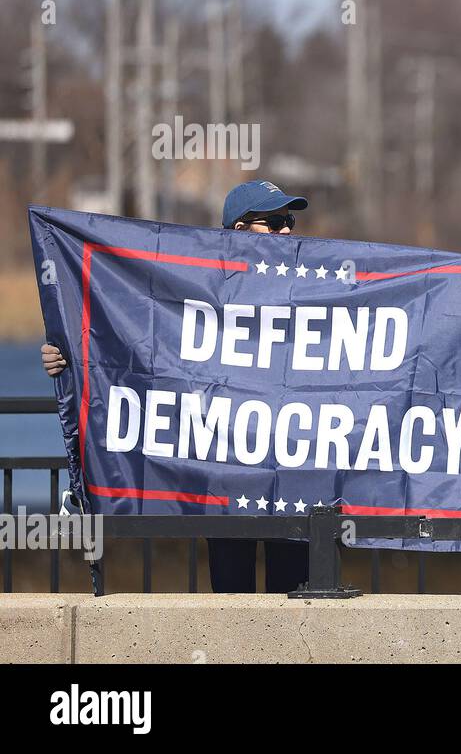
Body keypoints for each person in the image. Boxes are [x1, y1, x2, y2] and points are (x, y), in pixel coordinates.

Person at [42, 180, 311, 594]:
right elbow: (132, 342)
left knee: (298, 605)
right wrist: (68, 359)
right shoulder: (194, 285)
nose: (287, 233)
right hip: (225, 475)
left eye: (289, 221)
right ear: (238, 231)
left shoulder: (313, 286)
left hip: (293, 475)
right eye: (274, 223)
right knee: (232, 605)